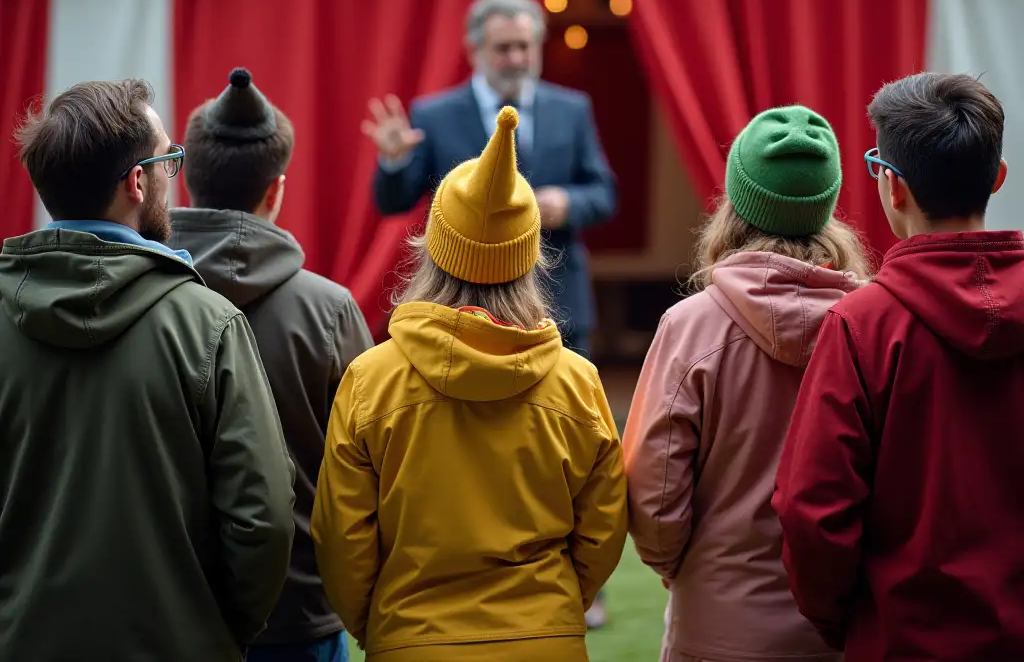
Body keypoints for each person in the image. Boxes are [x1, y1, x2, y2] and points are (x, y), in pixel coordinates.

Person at [313, 106, 628, 661]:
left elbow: (343, 541)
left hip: (412, 642)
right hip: (546, 643)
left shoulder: (371, 380)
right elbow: (603, 531)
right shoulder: (577, 382)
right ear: (532, 258)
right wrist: (552, 612)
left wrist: (384, 626)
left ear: (433, 247)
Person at [0, 79, 295, 661]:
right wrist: (217, 628)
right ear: (139, 181)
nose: (174, 175)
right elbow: (264, 522)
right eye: (170, 159)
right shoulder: (208, 323)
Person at [773, 73, 1024, 660]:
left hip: (901, 639)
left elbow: (812, 510)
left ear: (892, 186)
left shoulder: (862, 325)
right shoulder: (866, 321)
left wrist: (843, 621)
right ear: (998, 177)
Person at [624, 105, 869, 662]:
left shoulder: (690, 327)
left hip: (716, 625)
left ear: (736, 201)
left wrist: (684, 572)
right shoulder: (872, 326)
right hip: (841, 626)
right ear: (826, 206)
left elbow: (654, 493)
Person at [170, 68, 375, 662]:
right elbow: (368, 464)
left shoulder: (143, 302)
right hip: (301, 614)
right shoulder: (330, 311)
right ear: (276, 190)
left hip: (174, 608)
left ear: (185, 184)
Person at [363, 0, 617, 360]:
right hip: (462, 300)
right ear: (474, 51)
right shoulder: (434, 115)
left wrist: (567, 203)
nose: (516, 58)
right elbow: (394, 201)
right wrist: (393, 162)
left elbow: (604, 192)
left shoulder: (572, 109)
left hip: (557, 298)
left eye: (524, 46)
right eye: (503, 49)